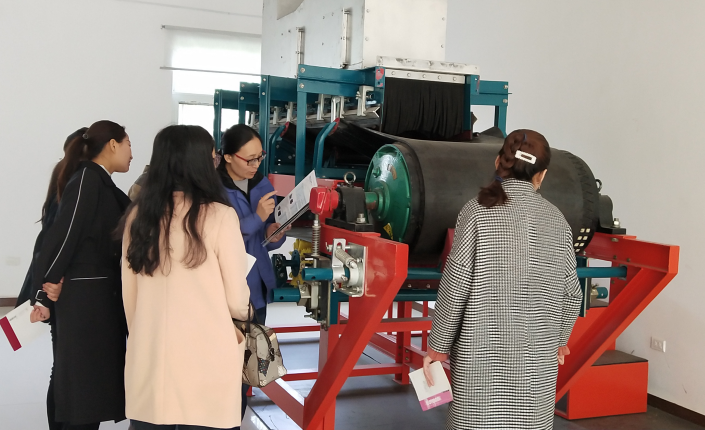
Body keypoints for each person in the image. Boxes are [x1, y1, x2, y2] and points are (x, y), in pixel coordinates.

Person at [423, 130, 583, 430]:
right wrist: (559, 340)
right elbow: (572, 294)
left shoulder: (476, 212)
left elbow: (455, 287)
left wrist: (438, 346)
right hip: (536, 367)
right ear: (542, 175)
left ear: (499, 162)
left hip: (480, 363)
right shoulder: (558, 221)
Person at [121, 125, 251, 430]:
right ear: (200, 163)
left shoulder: (137, 217)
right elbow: (237, 300)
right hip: (206, 354)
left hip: (152, 352)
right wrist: (246, 315)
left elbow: (130, 297)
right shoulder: (220, 216)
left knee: (152, 420)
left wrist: (144, 333)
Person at [30, 120, 133, 430]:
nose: (131, 153)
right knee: (84, 390)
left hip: (95, 298)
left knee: (84, 386)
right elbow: (64, 237)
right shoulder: (88, 179)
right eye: (128, 145)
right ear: (113, 145)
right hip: (86, 302)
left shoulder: (99, 182)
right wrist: (44, 291)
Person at [14, 127, 87, 430]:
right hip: (59, 287)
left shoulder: (65, 177)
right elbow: (57, 244)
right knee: (64, 369)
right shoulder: (76, 184)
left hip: (55, 284)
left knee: (61, 367)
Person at [217, 124, 289, 425]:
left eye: (260, 157)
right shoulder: (213, 189)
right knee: (223, 365)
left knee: (249, 361)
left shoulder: (261, 184)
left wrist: (275, 233)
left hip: (256, 286)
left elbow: (266, 236)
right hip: (227, 289)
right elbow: (223, 235)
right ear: (227, 157)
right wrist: (257, 217)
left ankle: (236, 418)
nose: (256, 165)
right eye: (249, 159)